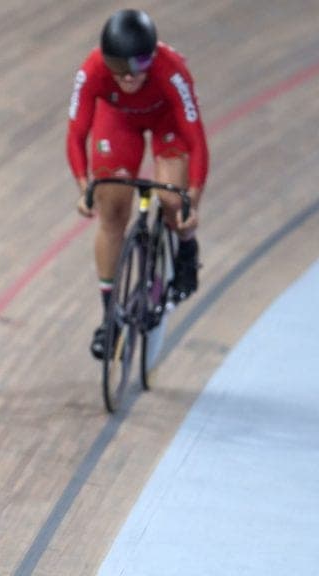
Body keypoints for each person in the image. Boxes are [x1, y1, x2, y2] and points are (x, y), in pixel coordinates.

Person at [67, 9, 209, 359]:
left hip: (167, 122)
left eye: (139, 64)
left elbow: (197, 140)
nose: (129, 77)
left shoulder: (172, 72)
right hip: (118, 122)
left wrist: (193, 199)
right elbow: (76, 134)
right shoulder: (92, 70)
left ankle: (187, 251)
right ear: (107, 61)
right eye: (120, 68)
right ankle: (109, 317)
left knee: (173, 201)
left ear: (153, 56)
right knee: (111, 210)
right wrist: (84, 185)